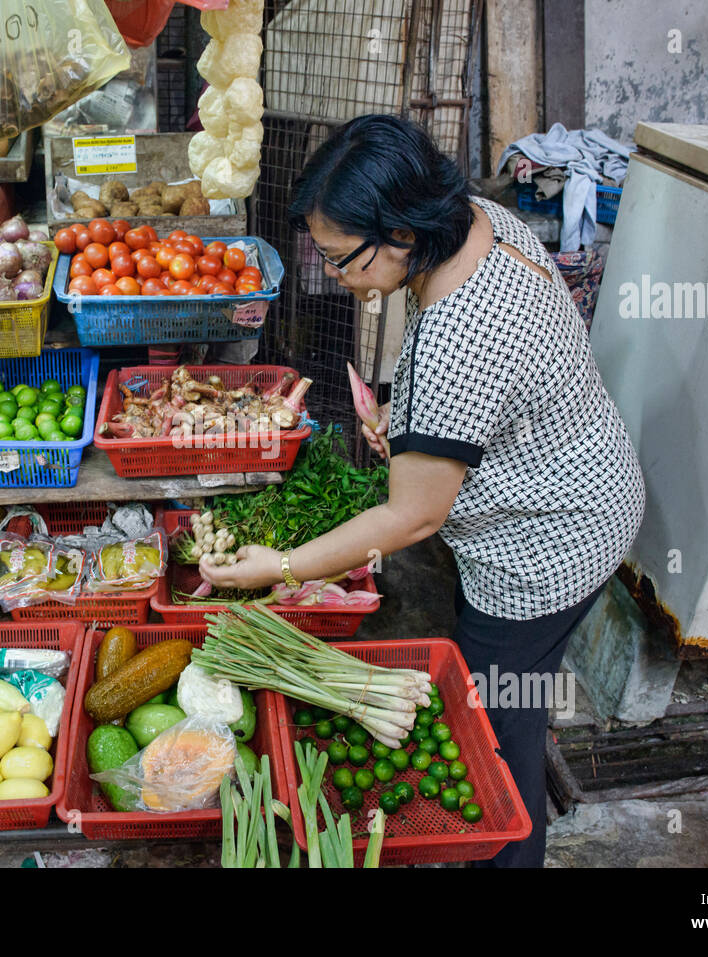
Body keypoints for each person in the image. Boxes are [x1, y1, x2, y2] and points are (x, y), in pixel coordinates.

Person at [198, 114, 646, 867]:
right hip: (588, 477)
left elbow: (412, 515)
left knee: (492, 738)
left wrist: (279, 566)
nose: (336, 276)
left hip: (547, 546)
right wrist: (413, 430)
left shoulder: (456, 336)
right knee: (515, 703)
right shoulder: (478, 223)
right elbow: (489, 401)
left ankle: (507, 850)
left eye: (343, 259)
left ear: (401, 234)